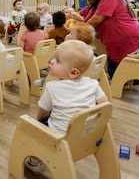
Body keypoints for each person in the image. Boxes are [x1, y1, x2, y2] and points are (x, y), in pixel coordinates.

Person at [25, 40, 108, 174]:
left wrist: (38, 124)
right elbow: (105, 105)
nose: (51, 61)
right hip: (86, 134)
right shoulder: (93, 84)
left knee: (34, 129)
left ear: (73, 72)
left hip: (60, 136)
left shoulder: (52, 87)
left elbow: (43, 114)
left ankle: (34, 162)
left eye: (57, 61)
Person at [74, 0, 139, 78]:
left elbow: (96, 20)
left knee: (123, 75)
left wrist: (78, 31)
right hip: (114, 44)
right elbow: (86, 18)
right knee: (114, 75)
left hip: (127, 38)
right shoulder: (96, 3)